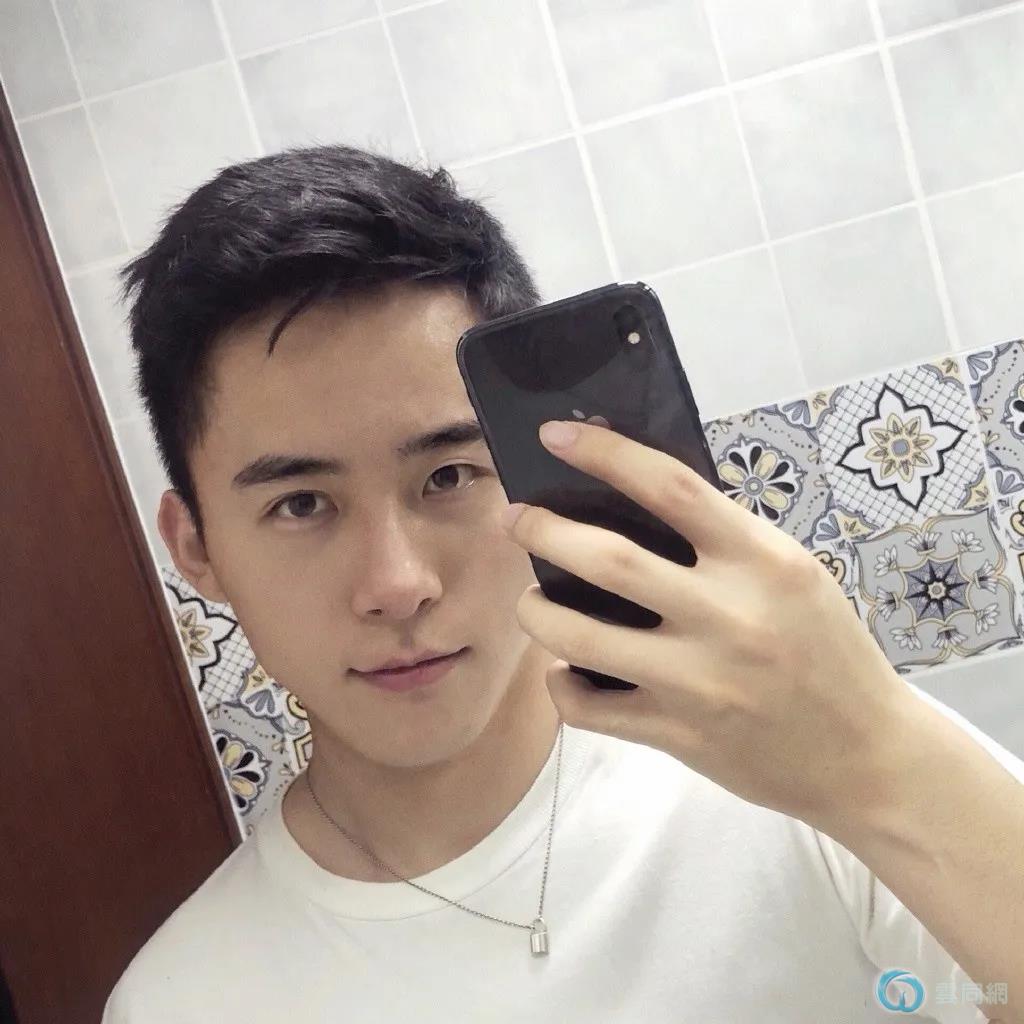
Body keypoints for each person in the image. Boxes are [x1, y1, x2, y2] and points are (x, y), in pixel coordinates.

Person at [102, 144, 1024, 1024]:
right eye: (301, 504)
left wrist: (874, 758)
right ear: (197, 548)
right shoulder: (179, 1004)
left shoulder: (806, 766)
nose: (398, 585)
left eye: (449, 476)